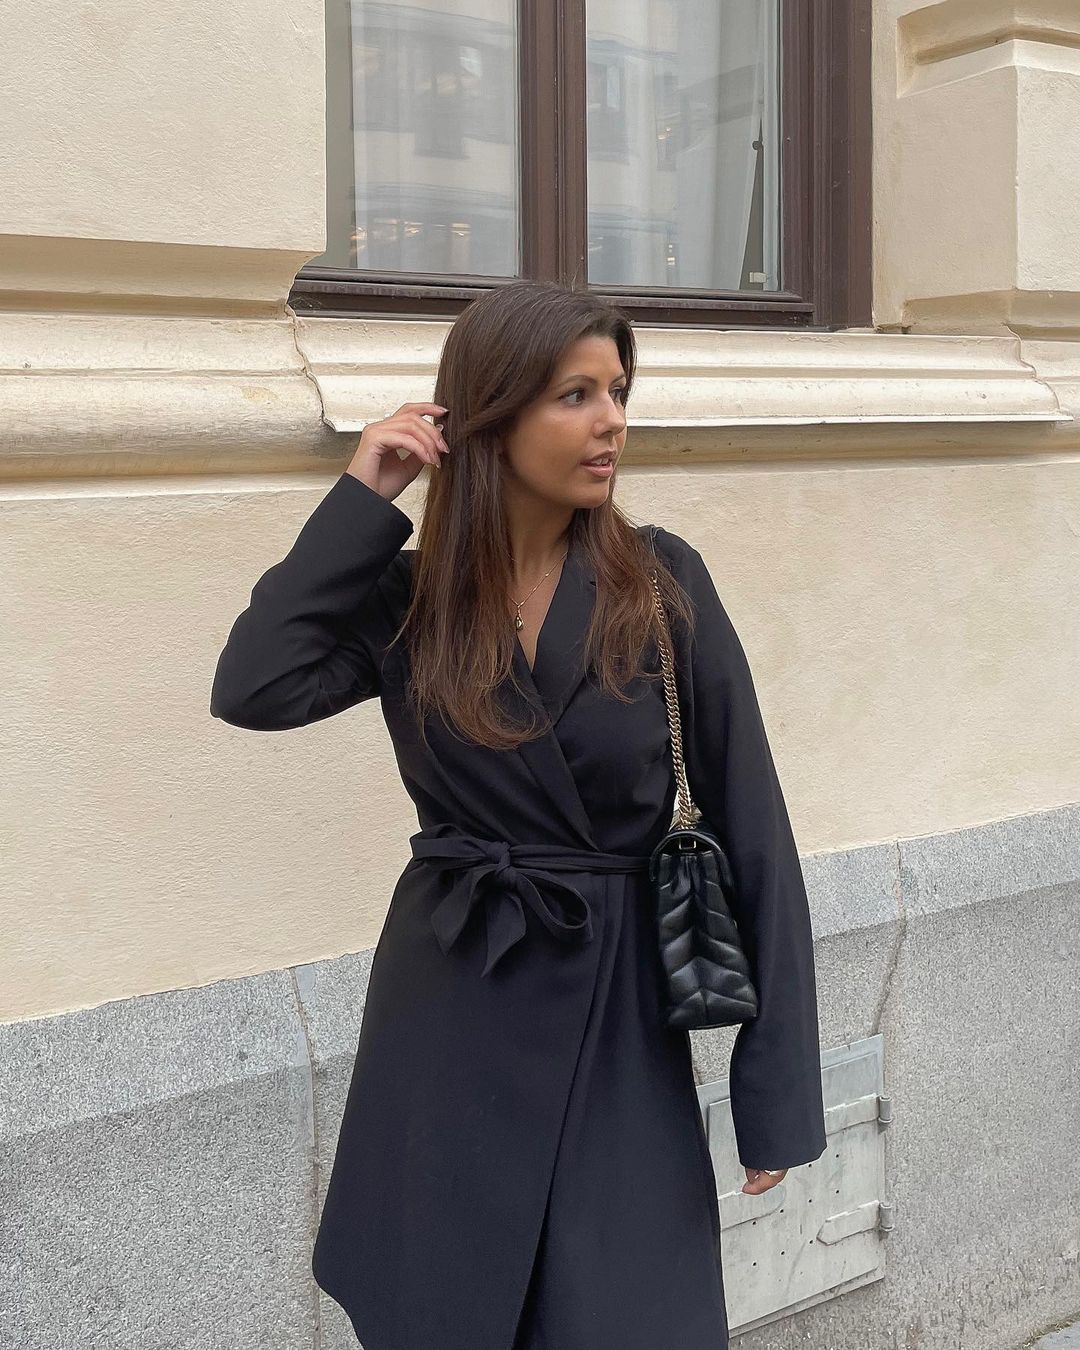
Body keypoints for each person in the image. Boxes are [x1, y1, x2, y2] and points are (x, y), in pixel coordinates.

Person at [210, 279, 827, 1350]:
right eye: (574, 395)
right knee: (448, 1307)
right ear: (491, 416)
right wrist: (365, 497)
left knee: (624, 1316)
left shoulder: (659, 581)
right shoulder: (411, 600)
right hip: (452, 1004)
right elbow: (256, 687)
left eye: (617, 391)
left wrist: (775, 1089)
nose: (611, 421)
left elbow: (754, 831)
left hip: (618, 1017)